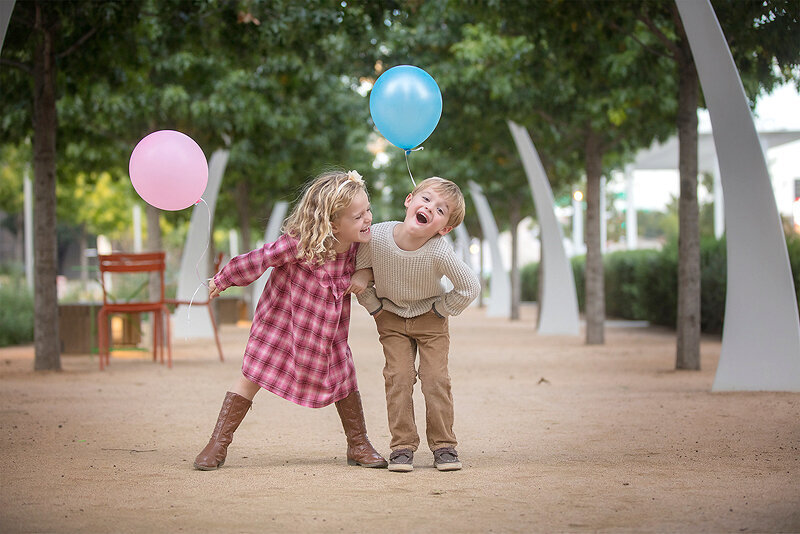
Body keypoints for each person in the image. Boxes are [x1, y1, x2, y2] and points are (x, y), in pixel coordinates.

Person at [193, 170, 388, 471]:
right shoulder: (301, 244)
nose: (368, 219)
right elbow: (260, 258)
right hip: (283, 324)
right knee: (251, 375)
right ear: (333, 223)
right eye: (358, 216)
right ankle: (217, 443)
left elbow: (386, 262)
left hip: (328, 332)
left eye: (368, 211)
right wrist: (225, 278)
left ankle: (358, 443)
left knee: (345, 380)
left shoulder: (362, 247)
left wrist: (364, 274)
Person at [352, 177, 480, 472]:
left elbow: (469, 287)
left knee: (435, 380)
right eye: (426, 200)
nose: (430, 208)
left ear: (444, 228)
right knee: (398, 378)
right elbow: (360, 274)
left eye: (440, 210)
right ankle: (402, 446)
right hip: (391, 319)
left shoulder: (439, 251)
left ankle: (444, 445)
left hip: (431, 320)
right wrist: (376, 310)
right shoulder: (378, 236)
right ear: (409, 200)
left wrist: (441, 310)